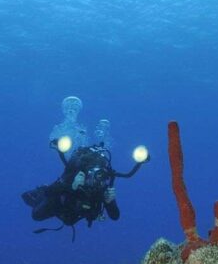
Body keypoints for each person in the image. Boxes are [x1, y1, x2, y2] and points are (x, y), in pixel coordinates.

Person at [22, 101, 149, 236]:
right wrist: (70, 186)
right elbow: (49, 194)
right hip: (61, 206)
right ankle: (38, 192)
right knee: (37, 215)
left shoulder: (102, 184)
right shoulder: (75, 175)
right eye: (93, 172)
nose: (95, 176)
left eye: (99, 172)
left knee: (66, 218)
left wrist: (110, 201)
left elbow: (115, 216)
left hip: (73, 216)